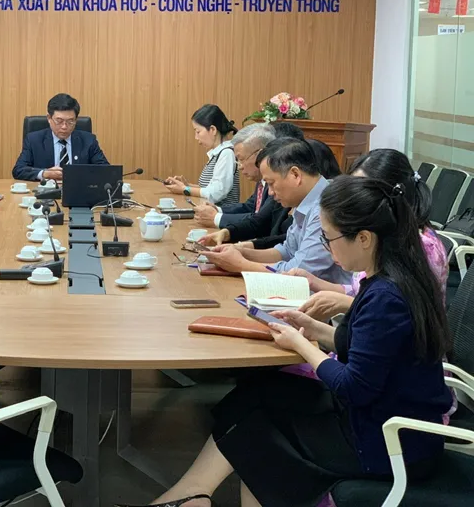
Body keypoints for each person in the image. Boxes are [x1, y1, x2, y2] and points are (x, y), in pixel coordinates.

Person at [130, 175, 452, 507]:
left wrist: (301, 345)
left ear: (364, 238)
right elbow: (367, 348)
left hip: (390, 445)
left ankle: (191, 497)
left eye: (329, 238)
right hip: (375, 420)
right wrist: (313, 329)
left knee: (259, 435)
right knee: (255, 393)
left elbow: (353, 386)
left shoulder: (386, 296)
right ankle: (193, 495)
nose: (326, 247)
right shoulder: (388, 279)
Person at [290, 148, 448, 321]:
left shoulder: (421, 247)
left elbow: (396, 310)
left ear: (389, 197)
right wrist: (314, 282)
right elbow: (358, 290)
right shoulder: (386, 234)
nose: (351, 198)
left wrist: (344, 303)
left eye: (360, 190)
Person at [205, 138, 351, 284]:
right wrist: (242, 252)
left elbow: (299, 273)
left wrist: (241, 265)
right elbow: (286, 251)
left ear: (295, 175)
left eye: (271, 183)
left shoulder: (327, 206)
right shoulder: (307, 200)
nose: (270, 192)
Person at [12, 93, 109, 181]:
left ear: (76, 120)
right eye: (59, 121)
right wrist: (44, 173)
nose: (64, 127)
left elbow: (106, 170)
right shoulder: (34, 140)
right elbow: (18, 170)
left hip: (79, 191)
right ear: (49, 118)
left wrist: (78, 175)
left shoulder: (88, 140)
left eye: (70, 121)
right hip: (45, 192)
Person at [193, 123, 275, 228]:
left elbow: (262, 220)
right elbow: (249, 207)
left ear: (260, 155)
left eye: (241, 159)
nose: (239, 166)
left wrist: (216, 218)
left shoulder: (274, 184)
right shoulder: (261, 182)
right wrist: (217, 209)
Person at [164, 104, 240, 206]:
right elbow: (209, 188)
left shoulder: (226, 153)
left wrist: (185, 189)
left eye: (198, 131)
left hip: (221, 213)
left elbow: (217, 193)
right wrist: (186, 185)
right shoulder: (217, 153)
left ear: (213, 130)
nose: (196, 137)